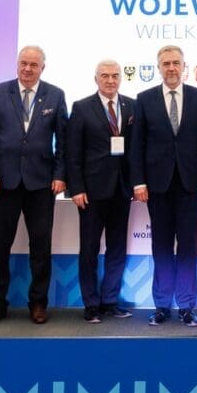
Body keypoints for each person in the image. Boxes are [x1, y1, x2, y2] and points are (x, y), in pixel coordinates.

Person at [0, 45, 68, 325]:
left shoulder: (55, 94)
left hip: (41, 184)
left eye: (33, 65)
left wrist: (60, 174)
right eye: (23, 63)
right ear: (17, 64)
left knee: (40, 246)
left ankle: (38, 303)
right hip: (3, 183)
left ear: (43, 68)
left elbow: (64, 141)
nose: (27, 69)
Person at [130, 45, 197, 327]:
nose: (171, 68)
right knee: (162, 244)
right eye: (166, 63)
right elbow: (137, 145)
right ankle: (162, 305)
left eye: (176, 63)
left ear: (184, 66)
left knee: (188, 244)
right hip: (157, 185)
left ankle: (187, 305)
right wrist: (139, 181)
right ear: (159, 67)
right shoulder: (144, 99)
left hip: (189, 183)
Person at [66, 60, 136, 323]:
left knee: (117, 248)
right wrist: (76, 188)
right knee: (89, 249)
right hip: (91, 191)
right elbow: (73, 152)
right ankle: (91, 304)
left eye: (115, 75)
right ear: (96, 79)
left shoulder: (132, 106)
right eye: (104, 76)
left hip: (122, 189)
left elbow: (136, 149)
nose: (110, 80)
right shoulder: (82, 107)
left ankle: (110, 301)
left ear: (121, 78)